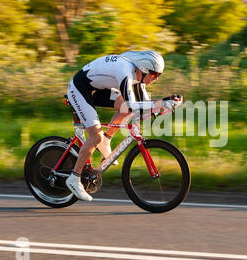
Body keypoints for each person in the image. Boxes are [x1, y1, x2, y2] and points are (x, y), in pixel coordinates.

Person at [65, 50, 182, 201]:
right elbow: (134, 105)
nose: (156, 78)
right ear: (145, 69)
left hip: (98, 88)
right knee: (95, 137)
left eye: (159, 75)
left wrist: (165, 106)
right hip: (80, 89)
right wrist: (163, 103)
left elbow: (144, 108)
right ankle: (74, 178)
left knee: (125, 110)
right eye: (155, 74)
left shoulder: (139, 77)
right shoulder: (125, 71)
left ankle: (106, 141)